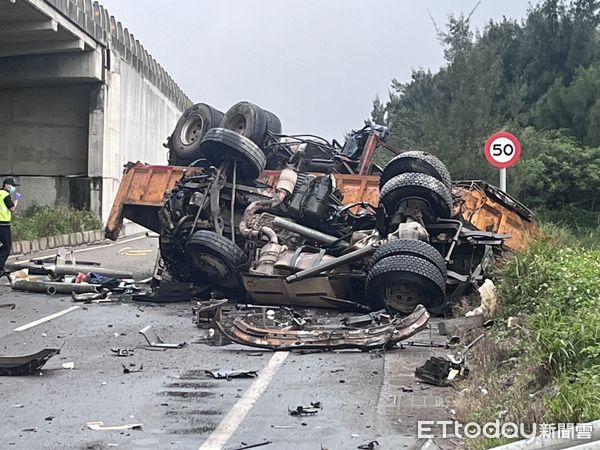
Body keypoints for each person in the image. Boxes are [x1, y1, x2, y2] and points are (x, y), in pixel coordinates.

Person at [0, 177, 20, 278]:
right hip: (3, 224)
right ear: (6, 185)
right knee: (7, 247)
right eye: (12, 186)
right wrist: (16, 199)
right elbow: (12, 209)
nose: (13, 188)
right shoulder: (5, 195)